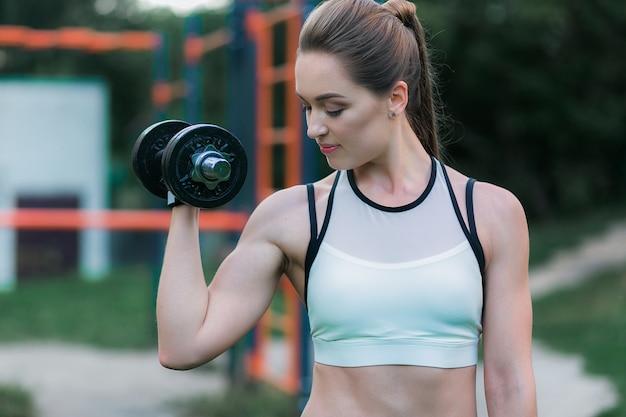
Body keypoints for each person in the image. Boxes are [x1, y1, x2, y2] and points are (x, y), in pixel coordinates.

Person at [156, 0, 538, 415]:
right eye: (307, 106)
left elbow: (509, 383)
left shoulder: (489, 214)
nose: (313, 127)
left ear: (395, 98)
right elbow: (183, 344)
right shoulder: (293, 217)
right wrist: (184, 194)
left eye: (333, 108)